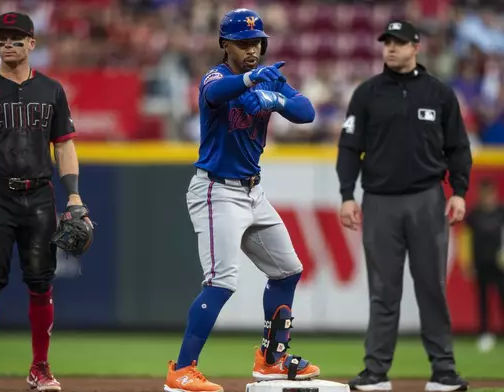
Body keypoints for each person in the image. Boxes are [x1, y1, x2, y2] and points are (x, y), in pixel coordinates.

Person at [164, 8, 319, 392]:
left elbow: (308, 111)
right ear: (225, 45)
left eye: (256, 42)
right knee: (221, 281)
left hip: (252, 190)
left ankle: (272, 360)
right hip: (217, 189)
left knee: (287, 270)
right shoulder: (218, 75)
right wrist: (252, 80)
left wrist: (274, 97)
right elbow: (214, 92)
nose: (252, 49)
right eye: (243, 42)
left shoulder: (268, 78)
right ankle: (182, 370)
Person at [0, 12, 90, 392]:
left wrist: (73, 193)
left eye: (16, 38)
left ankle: (39, 368)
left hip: (41, 195)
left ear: (32, 43)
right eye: (2, 40)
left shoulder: (52, 90)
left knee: (41, 284)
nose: (8, 45)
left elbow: (65, 145)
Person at [336, 20, 472, 392]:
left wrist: (459, 191)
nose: (391, 48)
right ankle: (375, 372)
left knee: (431, 286)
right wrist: (347, 194)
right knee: (383, 291)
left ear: (416, 46)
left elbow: (458, 148)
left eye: (399, 42)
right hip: (379, 201)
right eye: (387, 42)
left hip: (427, 198)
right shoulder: (366, 94)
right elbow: (349, 148)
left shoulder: (439, 94)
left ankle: (443, 371)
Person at [465, 178, 504, 353]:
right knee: (483, 299)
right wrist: (467, 261)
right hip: (481, 262)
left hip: (500, 264)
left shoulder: (501, 212)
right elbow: (465, 239)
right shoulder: (474, 215)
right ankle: (485, 333)